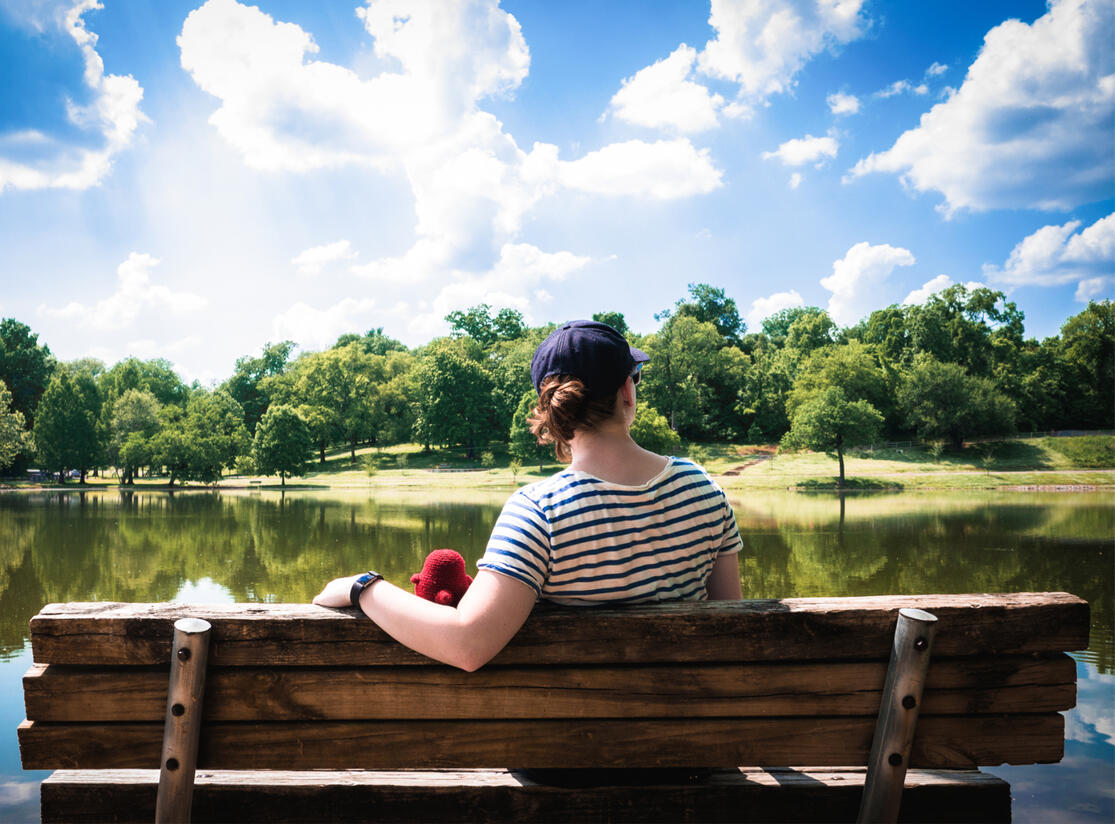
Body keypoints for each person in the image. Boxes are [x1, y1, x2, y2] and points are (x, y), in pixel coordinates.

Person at [312, 320, 743, 671]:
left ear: (552, 406)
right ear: (627, 393)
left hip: (566, 765)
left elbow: (467, 643)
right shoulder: (704, 491)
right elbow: (730, 628)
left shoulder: (540, 511)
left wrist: (363, 588)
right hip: (692, 756)